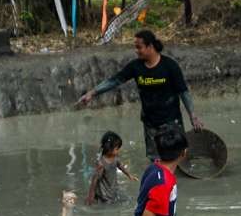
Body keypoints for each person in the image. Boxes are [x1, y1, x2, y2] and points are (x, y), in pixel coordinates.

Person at [77, 30, 204, 161]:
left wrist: (192, 116)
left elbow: (183, 92)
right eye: (135, 47)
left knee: (177, 158)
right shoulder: (136, 67)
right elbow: (114, 81)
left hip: (171, 121)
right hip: (150, 124)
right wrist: (92, 93)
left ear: (150, 47)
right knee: (155, 160)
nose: (136, 51)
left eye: (139, 47)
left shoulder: (170, 66)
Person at [86, 131, 137, 205]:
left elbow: (120, 166)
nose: (119, 150)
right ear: (109, 149)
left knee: (115, 199)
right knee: (107, 204)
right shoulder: (101, 163)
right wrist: (90, 196)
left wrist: (129, 175)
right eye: (117, 148)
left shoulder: (115, 158)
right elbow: (94, 180)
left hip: (112, 188)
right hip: (104, 192)